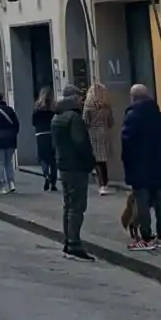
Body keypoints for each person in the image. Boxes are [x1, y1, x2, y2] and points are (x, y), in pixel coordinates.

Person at [119, 83, 161, 250]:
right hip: (160, 165)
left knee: (142, 202)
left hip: (139, 167)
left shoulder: (132, 116)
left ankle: (147, 235)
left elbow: (126, 142)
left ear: (133, 97)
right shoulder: (158, 115)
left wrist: (128, 162)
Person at [51, 86, 98, 261]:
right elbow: (81, 144)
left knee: (68, 205)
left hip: (63, 165)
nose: (82, 100)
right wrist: (89, 163)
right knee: (77, 206)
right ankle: (74, 244)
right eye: (79, 97)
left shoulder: (57, 116)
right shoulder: (74, 118)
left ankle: (68, 242)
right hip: (76, 166)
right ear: (73, 99)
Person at [83, 82, 115, 195]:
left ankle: (101, 184)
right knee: (103, 160)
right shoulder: (107, 107)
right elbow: (111, 122)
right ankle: (105, 183)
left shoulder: (88, 107)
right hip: (104, 133)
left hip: (93, 134)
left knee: (97, 160)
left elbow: (85, 122)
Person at [0, 91, 22, 194]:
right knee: (9, 162)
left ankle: (2, 186)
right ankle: (11, 183)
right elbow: (16, 125)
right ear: (2, 98)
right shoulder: (10, 110)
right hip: (10, 140)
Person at [33, 87, 59, 193]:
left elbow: (33, 122)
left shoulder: (37, 108)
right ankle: (53, 182)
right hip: (52, 133)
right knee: (53, 159)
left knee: (43, 157)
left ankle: (46, 175)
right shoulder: (54, 108)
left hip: (40, 134)